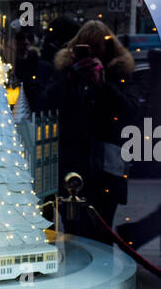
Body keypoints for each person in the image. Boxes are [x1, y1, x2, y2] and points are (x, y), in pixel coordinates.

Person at [47, 19, 140, 236]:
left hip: (106, 165)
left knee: (102, 228)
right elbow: (46, 105)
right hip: (73, 164)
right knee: (75, 229)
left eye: (96, 48)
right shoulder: (66, 71)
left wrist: (104, 86)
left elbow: (131, 111)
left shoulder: (119, 72)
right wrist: (70, 78)